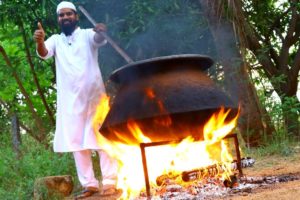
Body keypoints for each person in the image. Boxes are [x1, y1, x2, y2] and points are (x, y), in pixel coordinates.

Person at [33, 1, 118, 199]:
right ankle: (90, 185)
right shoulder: (55, 40)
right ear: (58, 19)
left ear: (76, 17)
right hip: (70, 102)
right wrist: (39, 41)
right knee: (77, 143)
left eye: (68, 14)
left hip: (94, 98)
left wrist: (101, 30)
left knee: (103, 139)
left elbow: (98, 39)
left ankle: (110, 182)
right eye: (61, 15)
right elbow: (44, 53)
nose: (65, 18)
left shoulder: (88, 34)